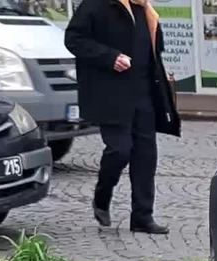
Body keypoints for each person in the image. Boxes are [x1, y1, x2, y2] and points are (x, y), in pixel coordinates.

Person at [64, 0, 180, 234]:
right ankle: (102, 195)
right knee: (120, 150)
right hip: (111, 93)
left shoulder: (145, 8)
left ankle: (142, 217)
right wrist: (110, 57)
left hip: (144, 92)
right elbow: (74, 39)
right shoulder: (97, 5)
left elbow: (153, 49)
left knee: (145, 155)